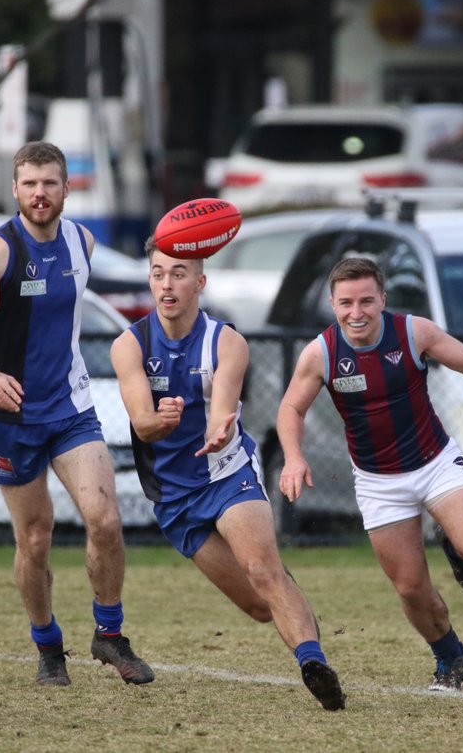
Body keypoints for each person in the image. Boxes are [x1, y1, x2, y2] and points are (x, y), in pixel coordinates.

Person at [0, 142, 152, 688]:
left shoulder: (83, 241)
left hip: (71, 406)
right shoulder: (0, 249)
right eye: (30, 183)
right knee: (35, 539)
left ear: (66, 188)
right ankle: (47, 644)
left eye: (50, 183)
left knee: (104, 518)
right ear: (15, 189)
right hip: (11, 416)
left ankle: (109, 633)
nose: (40, 193)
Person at [276, 257, 463, 692]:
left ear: (382, 299)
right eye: (345, 303)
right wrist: (293, 457)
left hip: (434, 462)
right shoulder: (321, 353)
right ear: (332, 304)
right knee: (411, 588)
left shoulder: (413, 333)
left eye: (365, 301)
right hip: (379, 482)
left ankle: (455, 544)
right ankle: (450, 657)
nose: (356, 312)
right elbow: (291, 408)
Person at [109, 238, 346, 711]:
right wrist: (162, 419)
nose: (166, 283)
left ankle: (313, 663)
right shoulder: (128, 344)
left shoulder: (226, 341)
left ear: (200, 282)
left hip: (226, 473)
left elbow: (224, 406)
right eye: (157, 273)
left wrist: (219, 429)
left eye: (178, 273)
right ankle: (284, 593)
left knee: (263, 570)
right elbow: (141, 423)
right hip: (174, 499)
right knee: (260, 606)